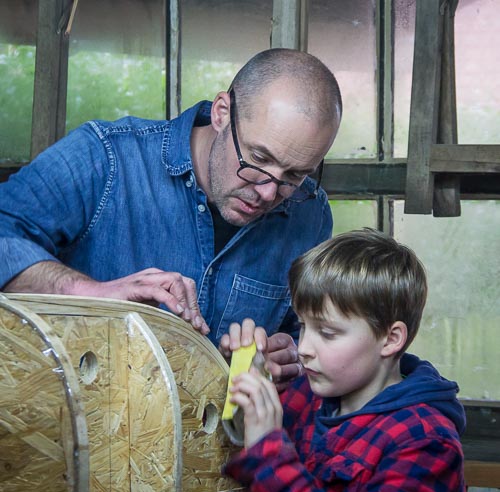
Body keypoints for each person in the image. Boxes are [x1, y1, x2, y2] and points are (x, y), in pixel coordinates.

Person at [0, 48, 342, 387]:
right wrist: (93, 294)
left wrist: (288, 358)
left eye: (294, 175)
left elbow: (304, 336)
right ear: (222, 113)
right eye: (258, 159)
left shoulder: (310, 213)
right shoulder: (105, 156)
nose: (269, 193)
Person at [224, 228, 466, 492]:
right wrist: (244, 391)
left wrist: (268, 455)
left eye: (327, 333)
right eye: (303, 326)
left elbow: (265, 457)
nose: (303, 348)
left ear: (390, 339)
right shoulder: (303, 395)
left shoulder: (425, 442)